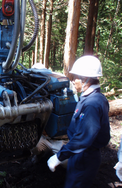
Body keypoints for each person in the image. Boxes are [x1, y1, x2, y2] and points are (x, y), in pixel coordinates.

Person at [47, 55, 110, 188]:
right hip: (80, 154)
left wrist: (59, 156)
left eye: (76, 77)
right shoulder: (93, 98)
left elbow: (83, 138)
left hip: (85, 157)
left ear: (85, 79)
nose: (74, 80)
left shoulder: (92, 104)